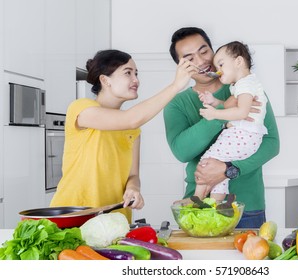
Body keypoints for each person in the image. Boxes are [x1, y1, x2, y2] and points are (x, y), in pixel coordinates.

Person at [50, 49, 196, 222]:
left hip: (114, 219)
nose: (136, 80)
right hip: (74, 216)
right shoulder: (81, 108)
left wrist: (134, 188)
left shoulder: (132, 130)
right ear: (105, 80)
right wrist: (175, 86)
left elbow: (133, 175)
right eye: (128, 73)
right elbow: (131, 118)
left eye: (136, 73)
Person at [164, 27, 280, 228]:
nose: (201, 61)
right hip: (197, 204)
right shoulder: (176, 104)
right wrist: (222, 114)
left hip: (248, 206)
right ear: (181, 66)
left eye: (204, 51)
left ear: (213, 50)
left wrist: (229, 170)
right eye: (189, 58)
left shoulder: (246, 88)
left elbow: (271, 144)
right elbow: (182, 152)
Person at [189, 41, 268, 203]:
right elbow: (230, 106)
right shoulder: (242, 84)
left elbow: (242, 112)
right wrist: (214, 101)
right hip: (245, 136)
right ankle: (216, 205)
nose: (218, 71)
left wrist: (215, 114)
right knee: (218, 168)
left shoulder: (246, 84)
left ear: (238, 62)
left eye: (221, 65)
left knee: (207, 161)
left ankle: (197, 200)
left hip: (243, 135)